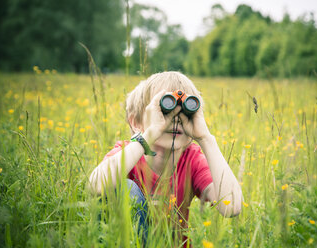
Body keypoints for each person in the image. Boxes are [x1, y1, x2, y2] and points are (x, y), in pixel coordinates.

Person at [88, 71, 242, 245]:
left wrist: (206, 138)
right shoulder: (126, 153)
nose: (175, 120)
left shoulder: (192, 159)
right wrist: (151, 132)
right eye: (164, 111)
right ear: (136, 123)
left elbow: (232, 206)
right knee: (127, 188)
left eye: (185, 112)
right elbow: (96, 185)